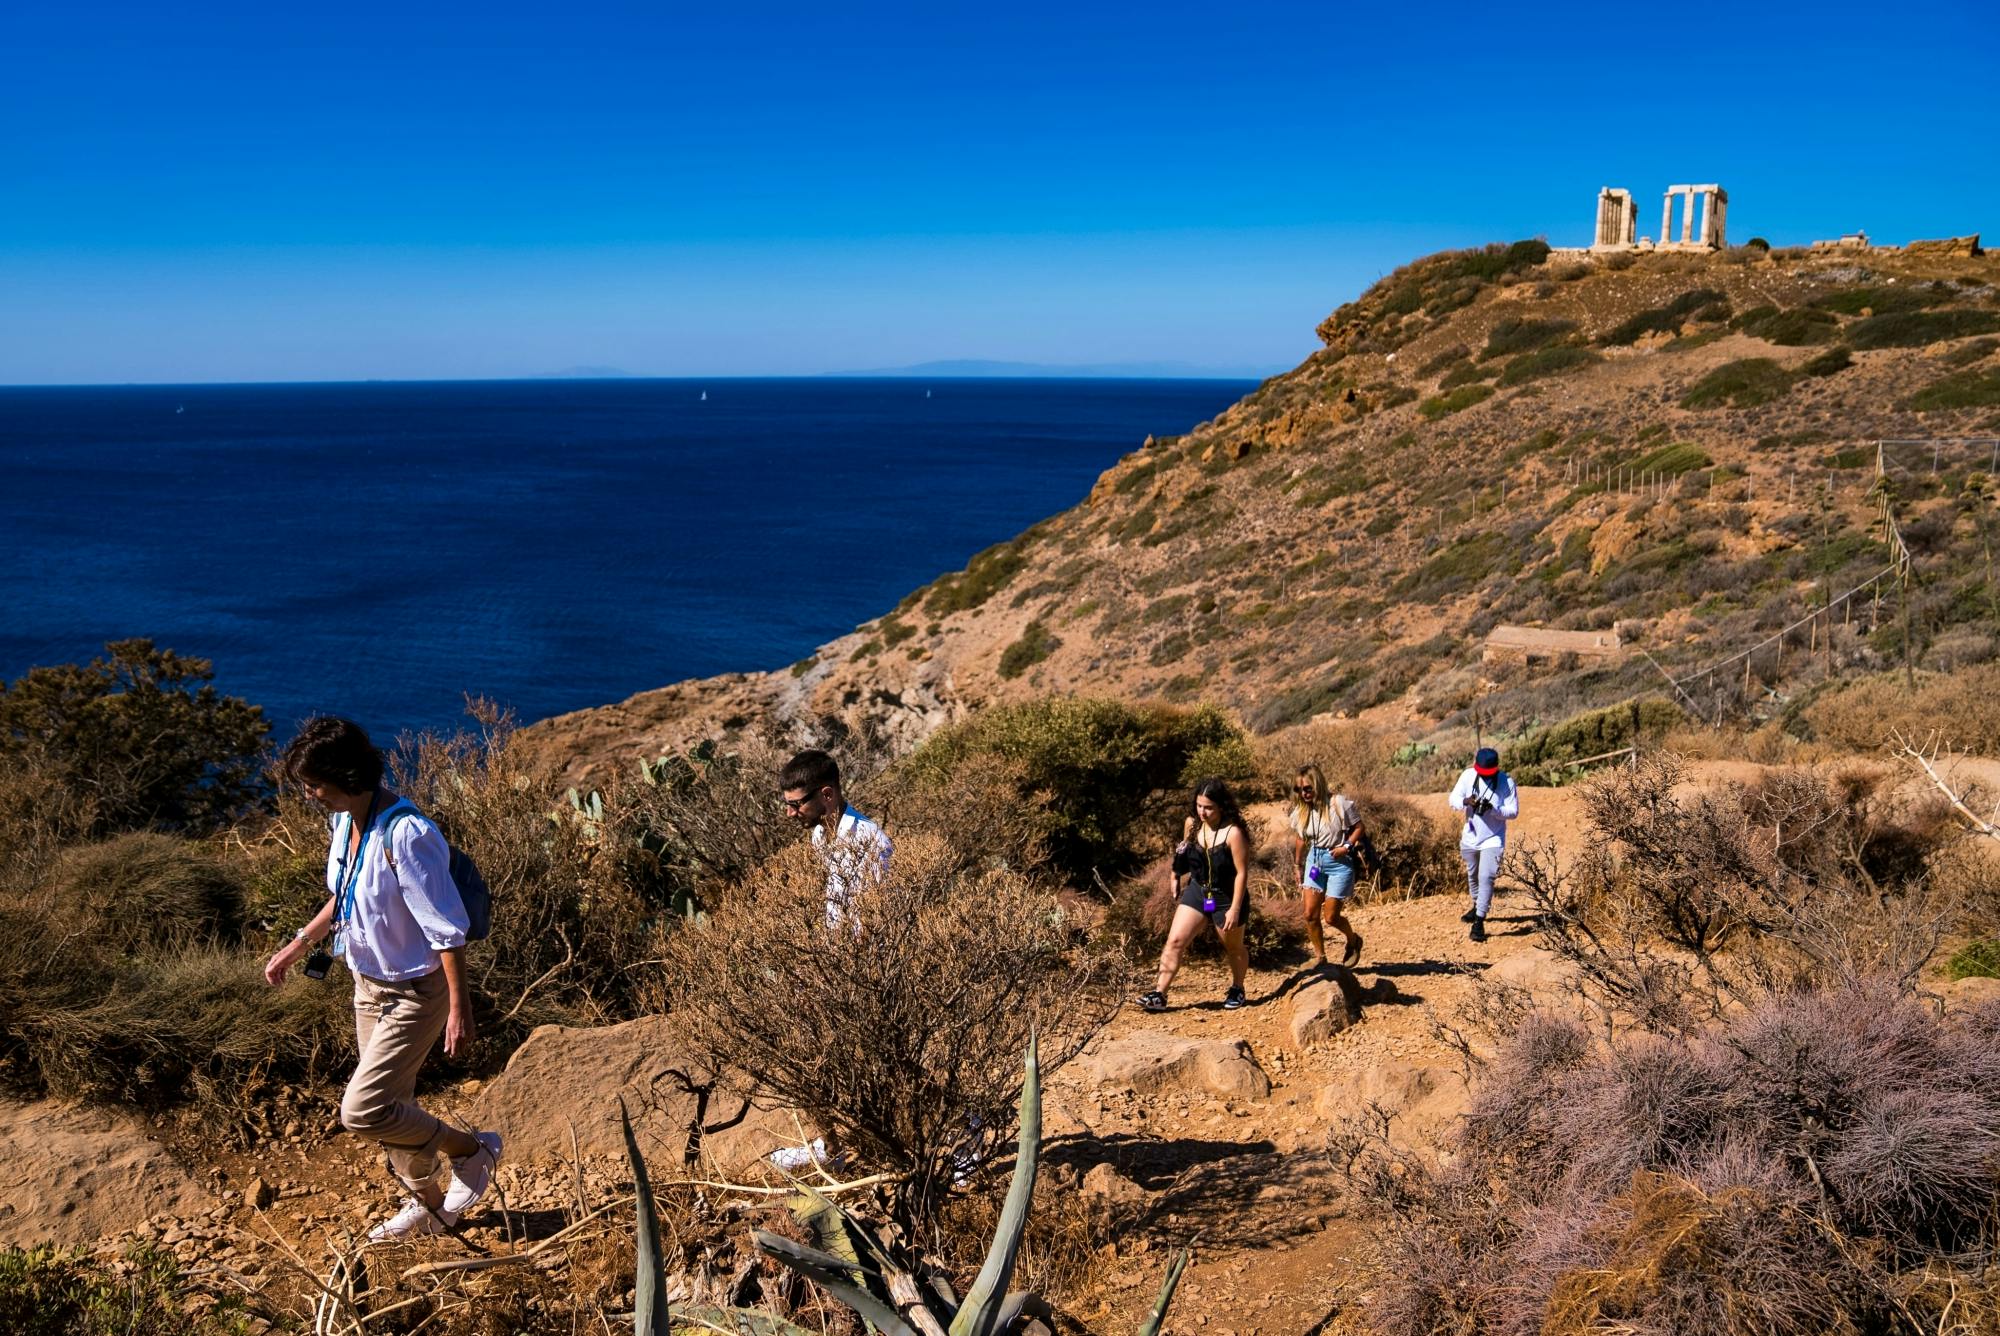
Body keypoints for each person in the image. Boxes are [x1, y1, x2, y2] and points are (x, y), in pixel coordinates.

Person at [262, 717, 501, 1242]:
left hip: (415, 992)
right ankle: (431, 1206)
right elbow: (344, 893)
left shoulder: (408, 835)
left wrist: (459, 1009)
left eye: (314, 783)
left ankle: (471, 1151)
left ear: (347, 776)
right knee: (396, 1104)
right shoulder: (346, 821)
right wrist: (296, 944)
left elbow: (446, 930)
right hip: (366, 984)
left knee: (363, 1111)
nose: (308, 793)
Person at [1138, 778, 1251, 1013]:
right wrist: (1175, 875)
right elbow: (1184, 850)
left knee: (1233, 947)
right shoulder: (1192, 824)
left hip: (1226, 896)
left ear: (1221, 805)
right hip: (1198, 890)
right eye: (1199, 805)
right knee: (1175, 940)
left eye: (1208, 807)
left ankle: (1237, 988)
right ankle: (1159, 994)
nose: (1202, 812)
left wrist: (1235, 909)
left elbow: (1241, 874)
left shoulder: (1233, 833)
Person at [780, 748, 891, 926]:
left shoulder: (871, 841)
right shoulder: (819, 834)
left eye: (795, 804)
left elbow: (874, 917)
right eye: (787, 804)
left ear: (827, 794)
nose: (790, 813)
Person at [1290, 765, 1364, 967]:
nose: (1303, 793)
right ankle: (1320, 957)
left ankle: (1353, 940)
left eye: (1307, 788)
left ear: (1318, 784)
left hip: (1338, 860)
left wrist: (1346, 846)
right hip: (1314, 860)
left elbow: (1359, 827)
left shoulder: (1338, 803)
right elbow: (1300, 839)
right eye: (1298, 789)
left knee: (1331, 917)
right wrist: (1298, 865)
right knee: (1309, 915)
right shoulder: (1301, 811)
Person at [1449, 746, 1519, 943]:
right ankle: (1476, 904)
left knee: (1486, 875)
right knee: (1472, 873)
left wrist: (1494, 809)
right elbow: (1452, 799)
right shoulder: (1467, 776)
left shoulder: (1507, 782)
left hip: (1493, 837)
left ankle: (1479, 921)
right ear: (1475, 766)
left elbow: (1513, 812)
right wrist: (1466, 801)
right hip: (1470, 835)